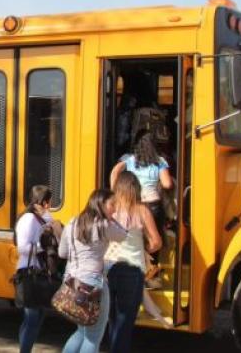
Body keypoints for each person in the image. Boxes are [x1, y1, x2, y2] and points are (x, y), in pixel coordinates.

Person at [58, 189, 127, 353]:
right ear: (101, 204)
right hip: (93, 285)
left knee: (82, 332)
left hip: (71, 282)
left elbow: (62, 253)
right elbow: (123, 235)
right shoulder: (104, 225)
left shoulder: (73, 222)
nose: (115, 209)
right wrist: (112, 219)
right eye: (112, 204)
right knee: (93, 336)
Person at [104, 172, 162, 353]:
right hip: (132, 271)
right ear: (136, 188)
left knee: (112, 319)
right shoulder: (142, 211)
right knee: (125, 322)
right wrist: (145, 248)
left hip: (108, 268)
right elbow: (157, 242)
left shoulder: (109, 209)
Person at [109, 131, 172, 272]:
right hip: (153, 205)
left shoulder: (129, 159)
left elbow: (115, 171)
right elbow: (167, 184)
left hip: (133, 202)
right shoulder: (160, 161)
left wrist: (115, 191)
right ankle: (152, 272)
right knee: (154, 239)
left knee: (134, 238)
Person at [14, 185, 62, 353]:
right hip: (29, 272)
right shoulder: (28, 219)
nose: (49, 206)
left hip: (39, 272)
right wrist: (44, 246)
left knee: (35, 318)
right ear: (42, 201)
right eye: (48, 202)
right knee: (32, 319)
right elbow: (22, 248)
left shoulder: (41, 218)